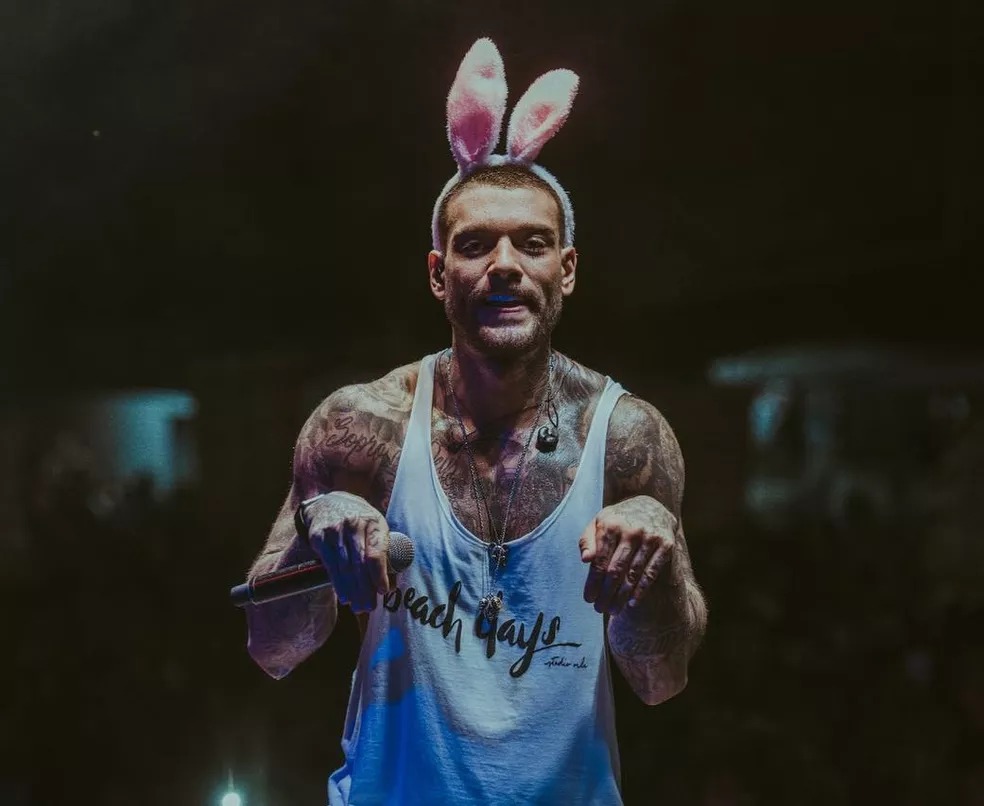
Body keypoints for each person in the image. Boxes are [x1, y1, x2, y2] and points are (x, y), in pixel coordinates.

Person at [244, 38, 707, 805]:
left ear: (566, 270)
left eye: (532, 243)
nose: (504, 264)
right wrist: (315, 532)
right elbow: (273, 649)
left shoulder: (630, 438)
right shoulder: (360, 428)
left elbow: (660, 678)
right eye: (475, 244)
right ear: (438, 274)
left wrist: (649, 558)